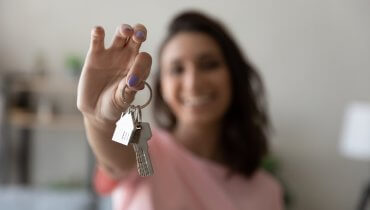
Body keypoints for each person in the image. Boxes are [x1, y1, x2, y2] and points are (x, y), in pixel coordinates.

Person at [77, 11, 283, 210]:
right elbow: (114, 163)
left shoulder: (268, 191)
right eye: (177, 69)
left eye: (209, 65)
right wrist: (98, 119)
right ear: (162, 88)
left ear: (233, 76)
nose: (193, 83)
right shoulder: (143, 149)